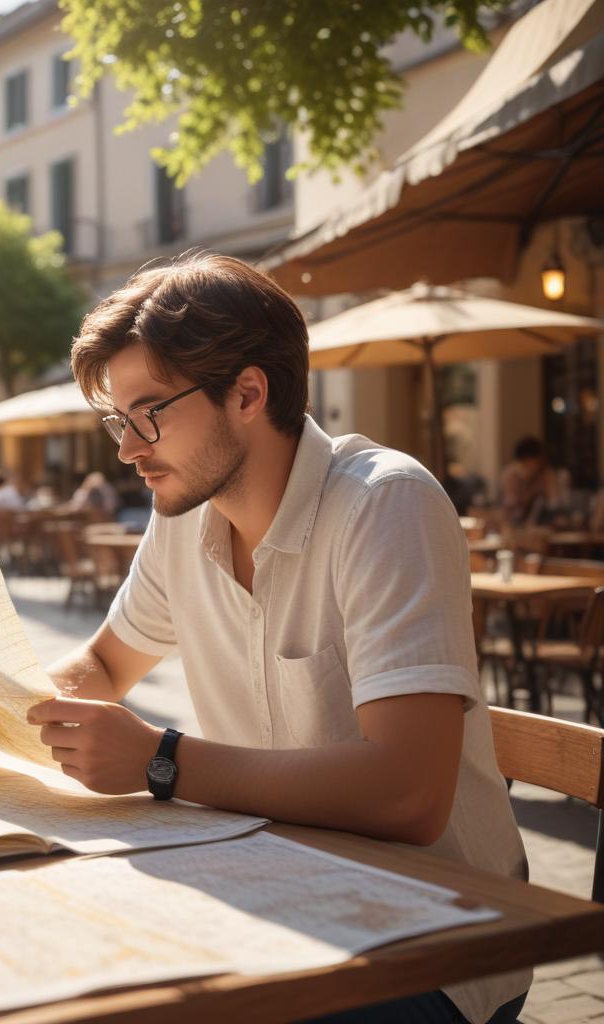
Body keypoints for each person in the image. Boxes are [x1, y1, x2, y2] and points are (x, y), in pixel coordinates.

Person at [27, 252, 528, 1024]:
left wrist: (161, 761)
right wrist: (4, 698)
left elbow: (409, 795)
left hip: (432, 934)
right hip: (274, 889)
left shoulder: (383, 506)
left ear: (248, 394)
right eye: (117, 422)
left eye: (148, 414)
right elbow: (100, 664)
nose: (127, 449)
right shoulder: (186, 519)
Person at [500, 437, 560, 525]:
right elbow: (510, 506)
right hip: (514, 522)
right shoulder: (511, 474)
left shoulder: (544, 475)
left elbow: (553, 503)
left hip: (540, 523)